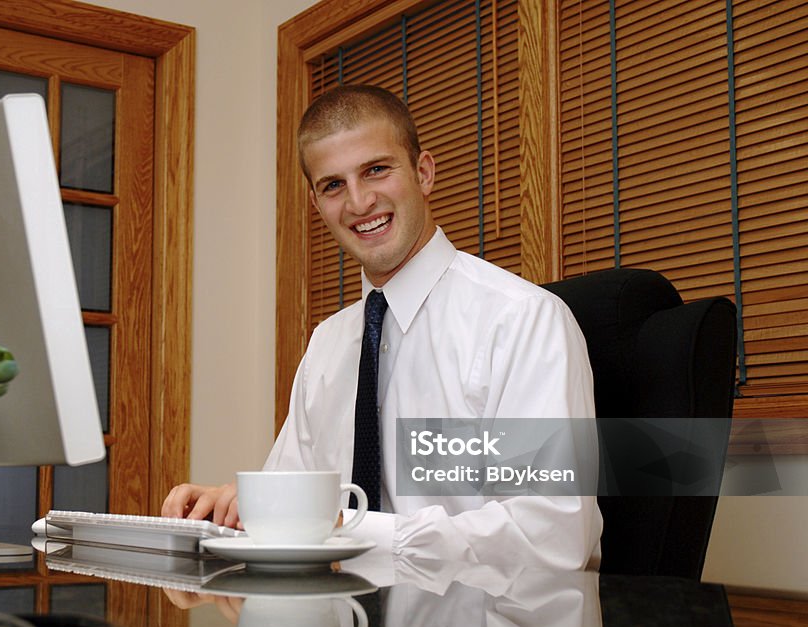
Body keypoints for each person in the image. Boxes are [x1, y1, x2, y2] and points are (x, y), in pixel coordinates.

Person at [163, 84, 601, 570]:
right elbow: (293, 504)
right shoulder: (328, 345)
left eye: (376, 170)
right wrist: (230, 510)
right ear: (316, 204)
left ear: (424, 173)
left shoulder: (521, 322)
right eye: (333, 185)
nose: (359, 201)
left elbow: (553, 532)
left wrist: (352, 531)